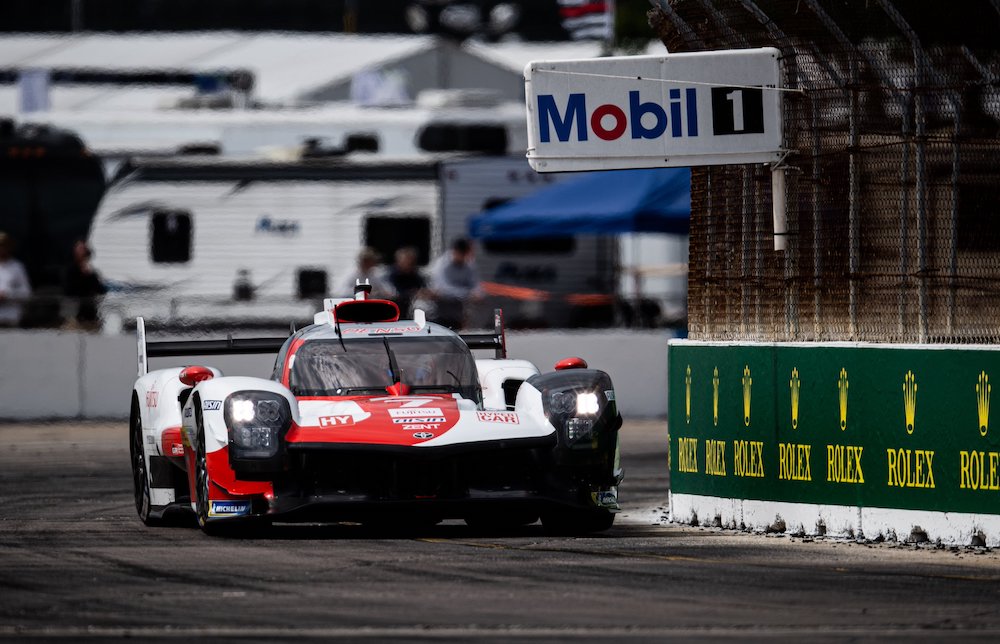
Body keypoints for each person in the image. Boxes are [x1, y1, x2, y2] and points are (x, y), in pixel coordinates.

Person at [428, 237, 481, 329]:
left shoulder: (468, 264)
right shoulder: (440, 265)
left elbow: (475, 285)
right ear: (456, 252)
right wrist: (467, 294)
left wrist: (477, 293)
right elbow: (441, 289)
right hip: (439, 312)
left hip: (457, 312)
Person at [63, 240, 107, 330]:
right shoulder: (70, 270)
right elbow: (69, 291)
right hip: (74, 313)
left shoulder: (91, 272)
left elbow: (101, 290)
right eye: (79, 249)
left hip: (90, 313)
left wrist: (89, 275)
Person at [0, 232, 31, 328]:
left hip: (11, 318)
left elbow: (27, 293)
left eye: (3, 246)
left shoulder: (17, 267)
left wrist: (7, 295)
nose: (1, 249)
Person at [386, 246, 427, 317]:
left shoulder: (416, 275)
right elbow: (392, 292)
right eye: (406, 260)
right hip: (394, 307)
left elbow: (422, 288)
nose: (408, 263)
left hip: (412, 305)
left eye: (411, 261)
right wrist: (410, 293)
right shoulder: (390, 275)